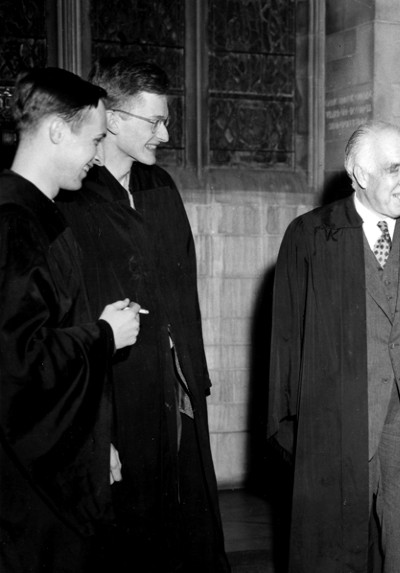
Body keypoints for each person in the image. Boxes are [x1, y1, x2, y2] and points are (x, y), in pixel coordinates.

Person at [56, 59, 229, 573]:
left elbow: (185, 299)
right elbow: (72, 322)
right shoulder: (73, 200)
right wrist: (95, 433)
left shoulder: (161, 188)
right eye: (155, 122)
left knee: (191, 534)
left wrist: (193, 377)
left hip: (176, 397)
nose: (167, 134)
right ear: (111, 118)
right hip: (117, 403)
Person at [268, 120, 400, 572]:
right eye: (394, 169)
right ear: (359, 173)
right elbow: (286, 339)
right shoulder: (312, 236)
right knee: (336, 546)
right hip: (340, 422)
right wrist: (287, 423)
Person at [0, 68, 141, 572]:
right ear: (57, 131)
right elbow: (18, 364)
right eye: (96, 140)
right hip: (26, 489)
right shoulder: (14, 223)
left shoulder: (40, 213)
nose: (99, 155)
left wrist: (94, 441)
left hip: (53, 462)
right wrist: (104, 334)